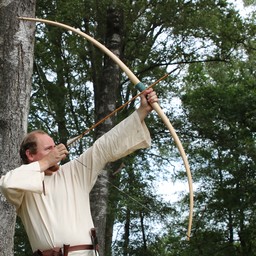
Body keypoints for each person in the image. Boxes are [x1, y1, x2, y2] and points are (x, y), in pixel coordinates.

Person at [0, 88, 158, 256]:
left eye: (55, 147)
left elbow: (104, 145)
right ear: (30, 155)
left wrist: (142, 111)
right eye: (48, 149)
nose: (55, 152)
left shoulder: (74, 171)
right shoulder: (23, 187)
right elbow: (7, 183)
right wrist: (46, 161)